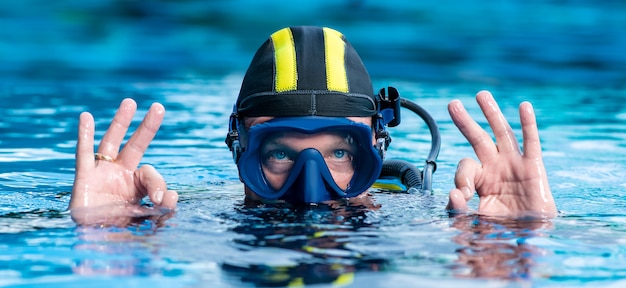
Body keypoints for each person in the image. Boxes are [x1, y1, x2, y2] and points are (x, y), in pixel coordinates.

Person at [69, 26, 556, 223]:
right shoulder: (175, 222)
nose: (310, 185)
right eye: (279, 152)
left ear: (376, 149)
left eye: (341, 152)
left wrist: (528, 231)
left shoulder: (437, 227)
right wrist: (101, 227)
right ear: (240, 150)